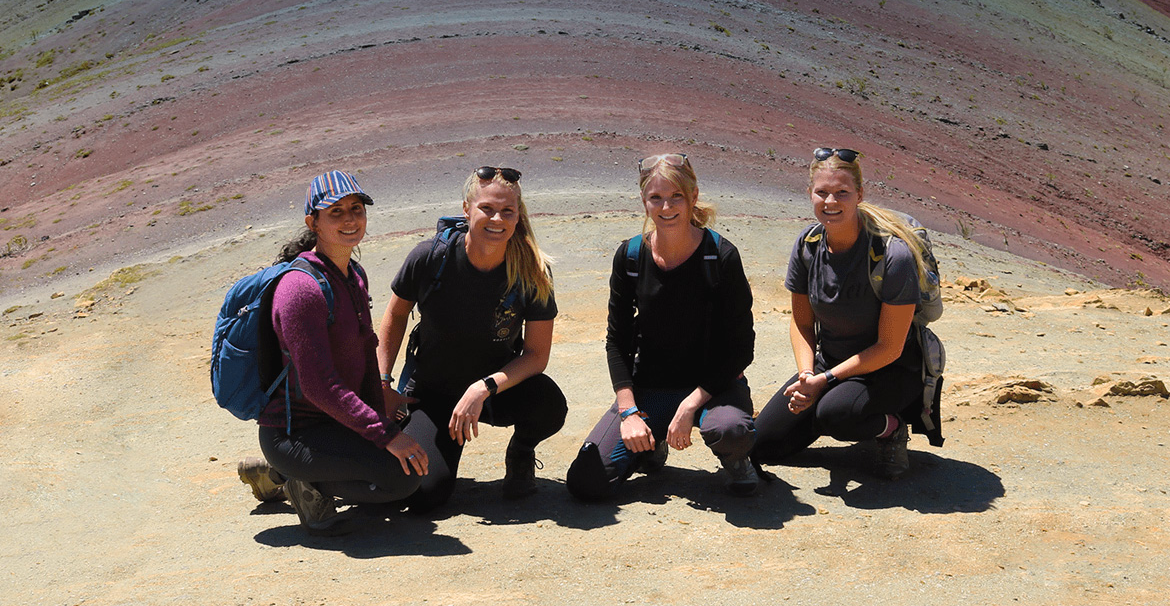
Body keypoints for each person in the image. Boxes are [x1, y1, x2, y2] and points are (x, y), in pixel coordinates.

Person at [237, 170, 428, 536]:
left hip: (338, 421)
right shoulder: (300, 289)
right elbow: (319, 386)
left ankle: (273, 475)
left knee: (416, 463)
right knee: (400, 480)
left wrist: (382, 401)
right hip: (294, 434)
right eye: (335, 212)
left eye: (356, 209)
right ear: (314, 222)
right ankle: (298, 479)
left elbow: (365, 352)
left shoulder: (352, 274)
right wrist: (386, 435)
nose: (350, 219)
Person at [566, 153, 759, 500]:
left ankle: (736, 458)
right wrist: (628, 412)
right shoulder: (631, 257)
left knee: (729, 429)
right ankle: (649, 444)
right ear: (644, 201)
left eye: (676, 197)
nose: (666, 207)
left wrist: (690, 405)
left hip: (713, 390)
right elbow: (617, 341)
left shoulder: (721, 256)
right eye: (656, 198)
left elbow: (741, 347)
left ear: (693, 197)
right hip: (651, 389)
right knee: (586, 481)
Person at [376, 166, 566, 510]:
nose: (497, 218)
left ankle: (521, 454)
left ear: (518, 215)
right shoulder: (430, 258)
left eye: (507, 211)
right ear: (467, 209)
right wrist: (383, 382)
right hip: (431, 393)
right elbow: (396, 314)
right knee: (424, 497)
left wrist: (482, 388)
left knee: (549, 405)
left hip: (494, 391)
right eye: (487, 209)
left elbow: (537, 355)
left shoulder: (533, 271)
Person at [750, 147, 931, 480]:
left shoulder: (892, 256)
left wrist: (825, 382)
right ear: (810, 194)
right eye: (822, 192)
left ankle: (890, 428)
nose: (830, 202)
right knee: (762, 446)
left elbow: (889, 347)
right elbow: (802, 322)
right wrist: (808, 376)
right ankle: (831, 404)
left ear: (859, 194)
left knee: (835, 414)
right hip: (828, 364)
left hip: (890, 369)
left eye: (842, 193)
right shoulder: (808, 245)